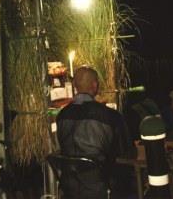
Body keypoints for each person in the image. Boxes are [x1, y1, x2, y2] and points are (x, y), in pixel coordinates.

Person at [56, 66, 134, 199]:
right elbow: (128, 152)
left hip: (69, 188)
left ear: (74, 85)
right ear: (95, 85)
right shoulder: (110, 116)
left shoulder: (62, 115)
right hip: (100, 188)